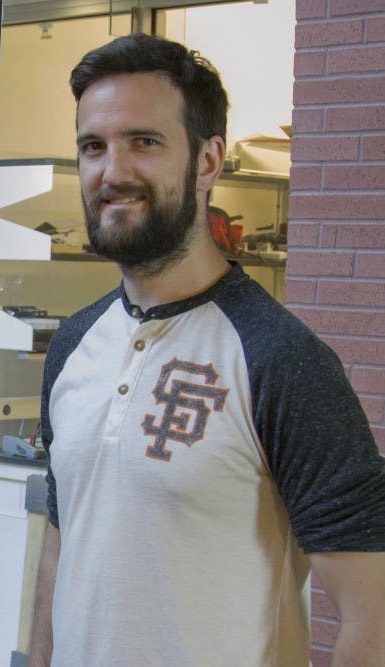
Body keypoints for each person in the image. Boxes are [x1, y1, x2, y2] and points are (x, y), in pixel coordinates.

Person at [26, 32, 385, 666]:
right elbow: (63, 540)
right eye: (93, 147)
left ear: (210, 160)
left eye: (144, 141)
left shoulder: (280, 358)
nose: (113, 173)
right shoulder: (75, 344)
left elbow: (371, 615)